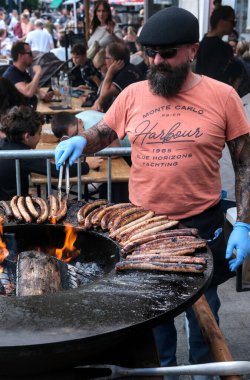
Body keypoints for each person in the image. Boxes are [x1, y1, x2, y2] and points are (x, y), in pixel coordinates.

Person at [54, 5, 250, 373]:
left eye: (167, 53)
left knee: (203, 315)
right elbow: (106, 133)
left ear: (192, 50)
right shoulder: (133, 94)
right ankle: (160, 369)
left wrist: (245, 223)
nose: (156, 60)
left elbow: (246, 163)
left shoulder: (222, 96)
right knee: (152, 315)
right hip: (143, 227)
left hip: (200, 226)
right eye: (150, 53)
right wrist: (82, 142)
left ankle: (200, 370)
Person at [0, 106, 91, 201]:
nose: (40, 138)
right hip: (11, 206)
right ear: (27, 136)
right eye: (39, 133)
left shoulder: (5, 143)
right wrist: (87, 165)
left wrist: (44, 159)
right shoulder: (22, 155)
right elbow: (57, 171)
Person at [92, 42, 142, 112]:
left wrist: (109, 73)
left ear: (113, 60)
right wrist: (98, 102)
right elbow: (102, 98)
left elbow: (104, 94)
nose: (105, 61)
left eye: (106, 58)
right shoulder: (124, 70)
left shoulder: (127, 74)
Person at [2, 41, 53, 109]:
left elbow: (34, 88)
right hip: (18, 117)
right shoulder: (11, 74)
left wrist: (43, 95)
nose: (33, 56)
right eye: (30, 53)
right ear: (20, 56)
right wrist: (38, 74)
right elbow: (28, 92)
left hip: (27, 113)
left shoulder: (23, 72)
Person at [195, 5, 236, 83]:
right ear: (221, 22)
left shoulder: (202, 43)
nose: (234, 25)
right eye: (233, 21)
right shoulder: (224, 48)